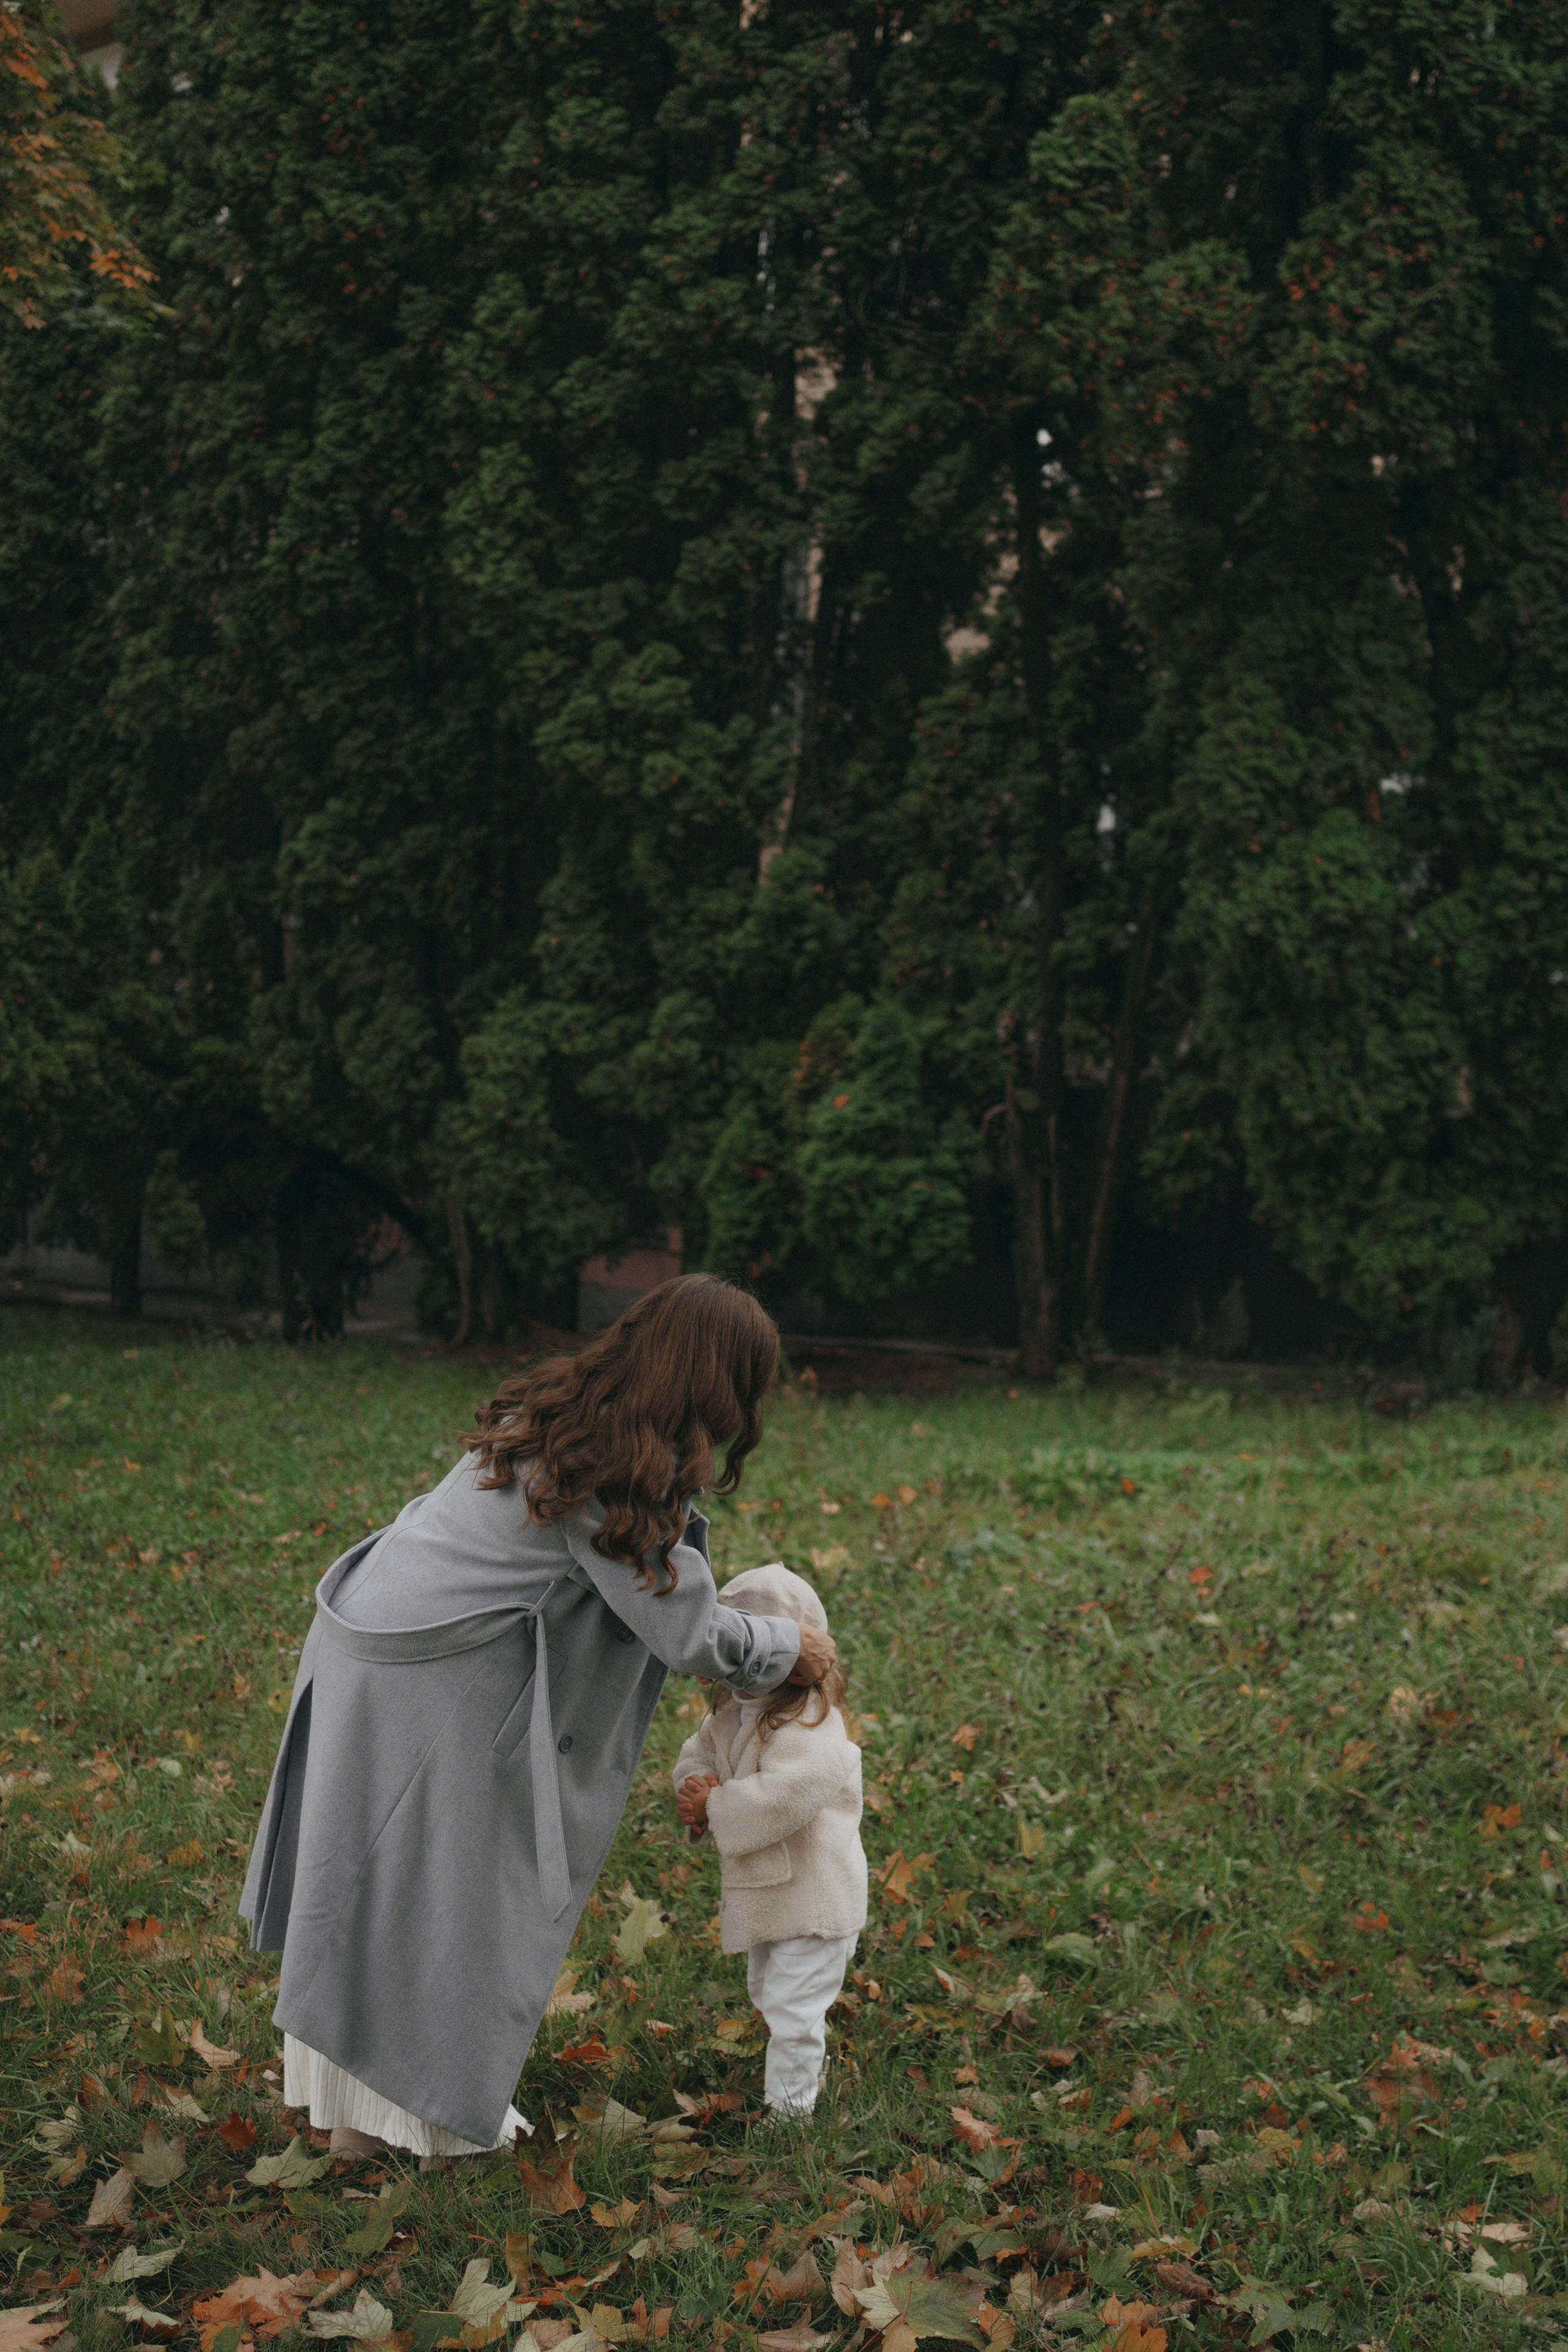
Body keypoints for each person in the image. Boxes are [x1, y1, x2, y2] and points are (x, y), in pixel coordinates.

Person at [239, 1275, 837, 2159]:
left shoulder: (572, 1416)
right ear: (719, 1384)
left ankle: (360, 2125)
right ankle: (420, 2125)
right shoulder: (609, 1468)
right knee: (453, 1892)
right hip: (431, 1672)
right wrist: (789, 1649)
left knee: (379, 1892)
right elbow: (679, 1625)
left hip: (375, 1641)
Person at [672, 1563, 866, 2116]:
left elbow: (785, 1796)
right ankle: (806, 2074)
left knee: (793, 2007)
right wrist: (694, 1783)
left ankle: (790, 2118)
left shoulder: (810, 1724)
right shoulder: (733, 1712)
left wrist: (717, 1806)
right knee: (769, 1993)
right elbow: (700, 1751)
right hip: (769, 1891)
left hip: (814, 1894)